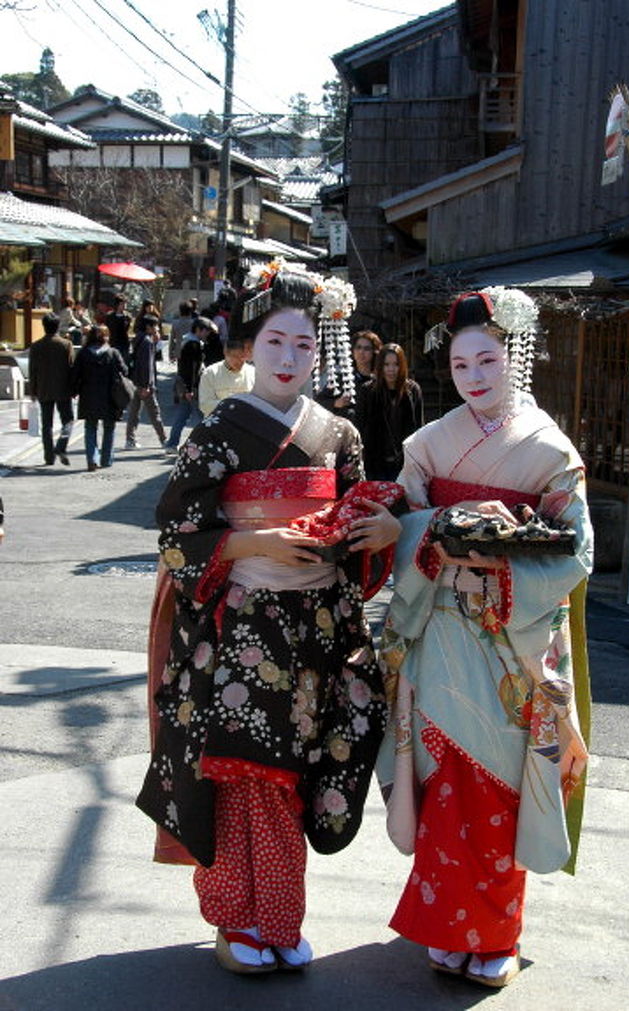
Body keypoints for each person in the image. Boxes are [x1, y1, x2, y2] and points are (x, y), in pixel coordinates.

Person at [136, 262, 402, 976]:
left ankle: (276, 919)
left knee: (296, 771)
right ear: (249, 345)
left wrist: (379, 530)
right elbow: (176, 531)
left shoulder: (337, 432)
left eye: (305, 346)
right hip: (241, 623)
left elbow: (359, 516)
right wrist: (254, 541)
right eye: (277, 342)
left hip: (319, 622)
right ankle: (238, 917)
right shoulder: (220, 429)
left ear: (322, 352)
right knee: (246, 771)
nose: (290, 359)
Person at [376, 288, 593, 988]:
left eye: (488, 359)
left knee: (500, 782)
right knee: (444, 773)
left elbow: (576, 548)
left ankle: (494, 930)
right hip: (441, 626)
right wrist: (435, 534)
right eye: (463, 362)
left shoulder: (550, 448)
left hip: (510, 636)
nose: (474, 375)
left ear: (514, 357)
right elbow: (400, 517)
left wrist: (498, 559)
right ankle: (446, 924)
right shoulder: (430, 443)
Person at [356, 342, 423, 480]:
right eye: (386, 365)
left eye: (396, 364)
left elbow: (418, 428)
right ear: (380, 366)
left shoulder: (412, 390)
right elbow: (360, 426)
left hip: (405, 462)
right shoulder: (367, 390)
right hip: (375, 462)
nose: (391, 369)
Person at [71, 324, 128, 471]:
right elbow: (125, 370)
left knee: (90, 428)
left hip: (88, 396)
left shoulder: (83, 354)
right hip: (110, 396)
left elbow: (75, 374)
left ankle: (92, 459)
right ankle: (106, 459)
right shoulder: (113, 353)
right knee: (109, 428)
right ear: (106, 337)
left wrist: (74, 391)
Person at [28, 312, 74, 466]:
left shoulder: (36, 346)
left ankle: (49, 456)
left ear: (44, 327)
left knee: (46, 424)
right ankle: (61, 446)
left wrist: (32, 391)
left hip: (44, 388)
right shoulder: (66, 344)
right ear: (57, 326)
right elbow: (71, 368)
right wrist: (74, 389)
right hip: (63, 388)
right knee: (67, 420)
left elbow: (32, 370)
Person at [125, 315, 166, 450]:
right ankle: (164, 440)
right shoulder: (147, 342)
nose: (157, 328)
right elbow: (147, 366)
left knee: (134, 412)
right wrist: (147, 385)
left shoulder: (138, 338)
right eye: (155, 326)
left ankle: (129, 440)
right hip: (144, 383)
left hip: (135, 381)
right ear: (148, 327)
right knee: (155, 413)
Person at [164, 318, 205, 455]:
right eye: (205, 330)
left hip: (183, 384)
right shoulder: (194, 345)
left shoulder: (186, 341)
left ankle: (172, 443)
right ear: (198, 329)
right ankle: (202, 444)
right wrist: (190, 388)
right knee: (202, 417)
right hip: (191, 387)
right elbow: (192, 369)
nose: (206, 334)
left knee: (183, 415)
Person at [198, 339, 254, 417]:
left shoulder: (253, 372)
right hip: (219, 425)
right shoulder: (210, 373)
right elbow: (205, 405)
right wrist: (234, 405)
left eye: (242, 357)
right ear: (225, 353)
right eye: (235, 356)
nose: (240, 361)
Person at [351, 329, 382, 396]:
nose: (361, 352)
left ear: (374, 352)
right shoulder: (344, 377)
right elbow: (324, 400)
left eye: (367, 348)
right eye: (358, 347)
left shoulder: (381, 379)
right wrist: (337, 403)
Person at [105, 295, 132, 365]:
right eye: (122, 304)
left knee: (124, 363)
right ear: (117, 304)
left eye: (125, 304)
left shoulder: (127, 317)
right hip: (113, 342)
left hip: (124, 343)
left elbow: (128, 329)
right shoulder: (110, 316)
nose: (124, 306)